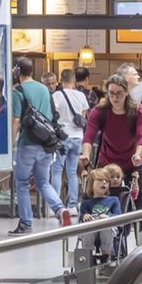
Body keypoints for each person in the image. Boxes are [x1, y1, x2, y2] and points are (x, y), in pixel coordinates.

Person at [10, 58, 70, 233]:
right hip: (46, 144)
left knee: (21, 183)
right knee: (43, 181)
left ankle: (26, 223)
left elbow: (16, 120)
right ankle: (60, 209)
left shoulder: (18, 91)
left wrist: (12, 143)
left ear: (16, 71)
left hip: (27, 144)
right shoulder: (44, 88)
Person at [80, 74, 142, 212]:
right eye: (111, 93)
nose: (115, 98)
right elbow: (89, 136)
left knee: (140, 206)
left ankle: (141, 230)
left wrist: (138, 155)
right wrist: (85, 155)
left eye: (119, 94)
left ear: (126, 93)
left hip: (133, 163)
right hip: (107, 164)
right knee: (103, 206)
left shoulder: (138, 111)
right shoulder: (100, 111)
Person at [52, 72, 91, 211]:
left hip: (63, 136)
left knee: (56, 169)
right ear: (74, 80)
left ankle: (56, 205)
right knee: (72, 171)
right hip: (78, 137)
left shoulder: (57, 95)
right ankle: (73, 205)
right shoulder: (81, 96)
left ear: (60, 80)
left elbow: (54, 114)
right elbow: (85, 115)